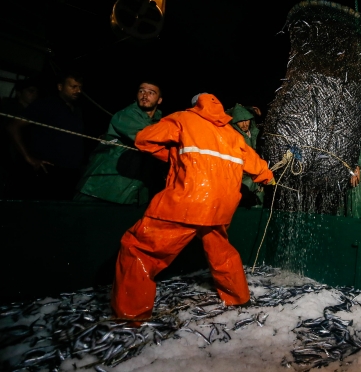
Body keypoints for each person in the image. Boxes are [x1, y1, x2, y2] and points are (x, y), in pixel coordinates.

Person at [111, 93, 276, 320]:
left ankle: (131, 315)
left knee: (138, 249)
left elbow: (144, 140)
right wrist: (269, 177)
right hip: (220, 206)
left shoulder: (182, 119)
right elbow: (260, 169)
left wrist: (174, 153)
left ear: (196, 106)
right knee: (220, 251)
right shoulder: (233, 134)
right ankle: (239, 298)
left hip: (187, 201)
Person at [74, 82, 163, 204]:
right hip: (101, 187)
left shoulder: (160, 122)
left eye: (151, 92)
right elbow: (149, 138)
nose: (145, 95)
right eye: (141, 91)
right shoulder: (126, 115)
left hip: (129, 192)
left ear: (159, 100)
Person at [6, 72, 84, 200]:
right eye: (73, 87)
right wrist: (29, 158)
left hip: (70, 173)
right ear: (60, 87)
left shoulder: (77, 110)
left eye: (80, 87)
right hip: (49, 171)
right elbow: (12, 127)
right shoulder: (46, 105)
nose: (78, 90)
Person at [0, 79, 40, 197]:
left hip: (20, 163)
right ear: (19, 93)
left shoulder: (34, 113)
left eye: (36, 92)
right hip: (6, 159)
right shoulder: (8, 108)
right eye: (31, 91)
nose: (34, 95)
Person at [227, 103, 264, 207]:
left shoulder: (257, 132)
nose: (244, 124)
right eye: (240, 121)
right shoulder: (233, 136)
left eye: (246, 120)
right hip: (242, 178)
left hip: (258, 175)